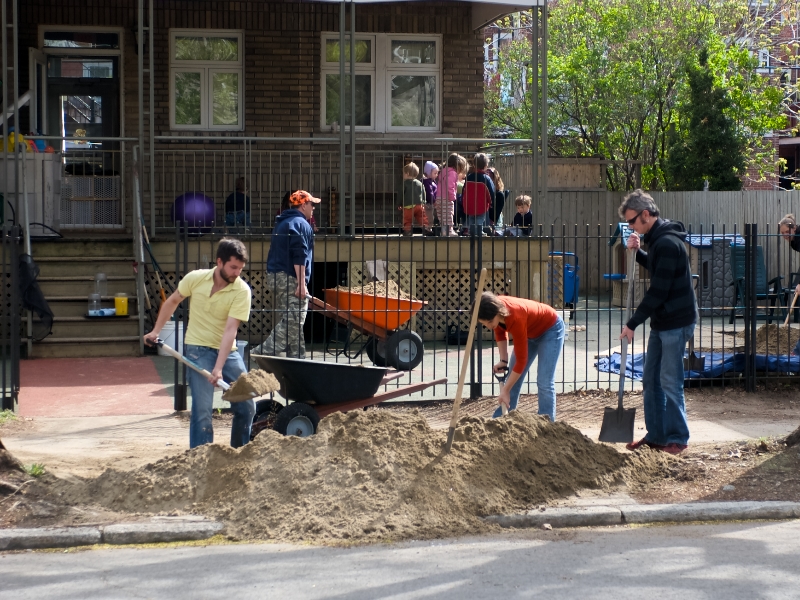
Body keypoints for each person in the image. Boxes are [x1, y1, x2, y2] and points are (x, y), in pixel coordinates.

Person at [143, 238, 254, 449]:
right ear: (219, 262)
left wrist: (219, 368)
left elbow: (231, 330)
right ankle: (201, 459)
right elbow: (173, 301)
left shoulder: (242, 291)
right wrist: (155, 331)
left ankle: (240, 454)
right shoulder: (196, 279)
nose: (237, 273)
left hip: (227, 352)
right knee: (203, 410)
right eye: (233, 267)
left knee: (247, 404)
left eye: (240, 268)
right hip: (197, 350)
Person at [618, 189, 697, 455]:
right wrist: (639, 253)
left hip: (676, 321)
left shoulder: (667, 242)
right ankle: (657, 435)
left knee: (669, 380)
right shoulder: (658, 239)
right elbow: (657, 266)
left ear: (646, 214)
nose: (630, 226)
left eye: (632, 221)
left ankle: (677, 437)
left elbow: (658, 291)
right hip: (663, 321)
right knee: (650, 379)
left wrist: (632, 322)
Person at [475, 291, 565, 422]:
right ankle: (501, 420)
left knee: (544, 381)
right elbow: (500, 333)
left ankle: (547, 424)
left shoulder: (515, 316)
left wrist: (505, 390)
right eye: (485, 324)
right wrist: (503, 361)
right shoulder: (493, 310)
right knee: (513, 379)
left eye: (490, 321)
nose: (489, 326)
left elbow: (521, 362)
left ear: (498, 312)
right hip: (529, 331)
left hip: (550, 329)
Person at [254, 190, 319, 359]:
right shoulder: (301, 224)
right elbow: (299, 254)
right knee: (294, 321)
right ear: (303, 205)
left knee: (291, 319)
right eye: (312, 205)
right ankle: (261, 352)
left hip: (276, 276)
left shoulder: (283, 222)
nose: (314, 209)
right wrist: (302, 283)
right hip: (290, 277)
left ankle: (298, 358)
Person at [462, 153, 495, 236]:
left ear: (474, 164)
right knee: (480, 218)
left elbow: (464, 189)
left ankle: (470, 230)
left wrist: (463, 200)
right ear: (486, 165)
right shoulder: (486, 178)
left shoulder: (469, 177)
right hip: (481, 203)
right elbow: (491, 192)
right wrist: (491, 203)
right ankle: (478, 231)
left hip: (469, 203)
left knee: (471, 217)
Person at [435, 153, 468, 237]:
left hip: (439, 198)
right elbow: (450, 186)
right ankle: (449, 231)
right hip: (447, 198)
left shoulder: (443, 171)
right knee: (448, 215)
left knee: (442, 216)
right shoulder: (452, 173)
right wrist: (453, 197)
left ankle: (443, 231)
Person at [399, 162, 431, 236]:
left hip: (408, 205)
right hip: (419, 205)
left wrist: (399, 203)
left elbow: (401, 194)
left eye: (403, 173)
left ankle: (407, 231)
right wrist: (424, 202)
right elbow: (423, 192)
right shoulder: (420, 183)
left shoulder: (405, 184)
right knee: (421, 217)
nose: (403, 175)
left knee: (407, 219)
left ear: (407, 173)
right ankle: (426, 228)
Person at [779, 214, 800, 297]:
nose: (785, 235)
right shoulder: (793, 242)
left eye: (787, 232)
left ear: (794, 228)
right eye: (782, 233)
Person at [422, 161, 439, 231]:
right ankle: (427, 229)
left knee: (431, 217)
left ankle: (429, 228)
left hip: (432, 203)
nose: (436, 175)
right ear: (429, 172)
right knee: (429, 217)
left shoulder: (432, 181)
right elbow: (429, 193)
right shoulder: (426, 182)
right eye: (435, 173)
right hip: (428, 203)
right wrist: (434, 201)